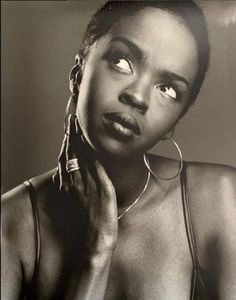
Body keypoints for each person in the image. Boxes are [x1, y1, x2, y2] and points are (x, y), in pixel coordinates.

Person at [2, 1, 236, 299]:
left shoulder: (221, 202)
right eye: (122, 61)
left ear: (172, 124)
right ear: (78, 74)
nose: (137, 97)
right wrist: (95, 250)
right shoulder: (10, 224)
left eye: (168, 88)